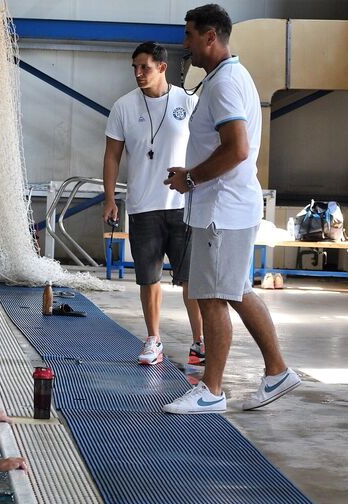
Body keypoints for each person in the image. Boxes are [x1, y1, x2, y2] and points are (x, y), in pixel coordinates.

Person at [163, 3, 300, 414]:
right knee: (236, 291)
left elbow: (237, 149)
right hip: (227, 207)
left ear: (210, 37)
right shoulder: (228, 78)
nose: (185, 44)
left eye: (189, 35)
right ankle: (277, 371)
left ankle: (212, 390)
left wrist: (191, 179)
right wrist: (191, 173)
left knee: (212, 298)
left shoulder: (224, 84)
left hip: (220, 211)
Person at [103, 41, 204, 366]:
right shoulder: (123, 107)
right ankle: (153, 339)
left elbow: (208, 147)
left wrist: (199, 184)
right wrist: (109, 199)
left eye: (144, 67)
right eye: (134, 67)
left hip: (184, 205)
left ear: (162, 67)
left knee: (190, 280)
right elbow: (112, 156)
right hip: (143, 205)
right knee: (149, 278)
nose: (138, 73)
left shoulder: (188, 102)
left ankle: (200, 342)